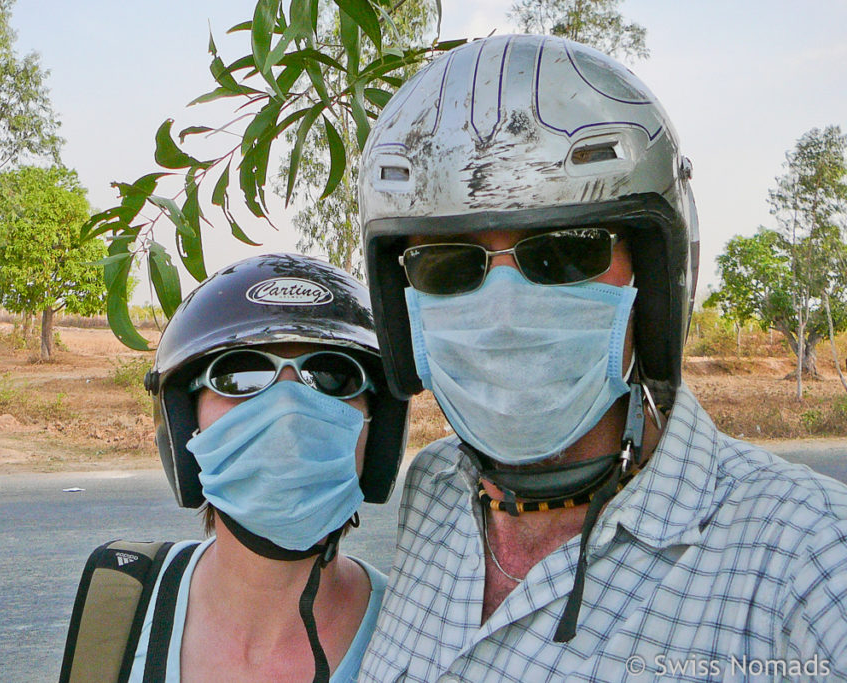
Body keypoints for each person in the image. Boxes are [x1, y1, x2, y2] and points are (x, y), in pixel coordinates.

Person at [355, 35, 847, 680]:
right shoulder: (438, 487)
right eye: (449, 263)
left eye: (565, 253)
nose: (505, 311)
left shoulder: (811, 556)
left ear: (652, 274)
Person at [135, 253, 410, 682]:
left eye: (333, 376)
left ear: (380, 433)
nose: (288, 409)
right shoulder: (122, 607)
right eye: (240, 375)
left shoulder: (420, 647)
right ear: (183, 420)